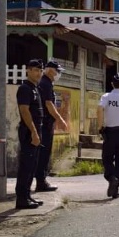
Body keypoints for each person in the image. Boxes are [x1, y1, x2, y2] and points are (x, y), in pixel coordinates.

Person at [15, 59, 45, 210]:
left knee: (32, 165)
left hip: (36, 130)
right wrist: (33, 132)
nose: (38, 73)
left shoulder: (35, 88)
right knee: (26, 165)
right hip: (29, 131)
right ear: (28, 70)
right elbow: (24, 111)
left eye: (40, 71)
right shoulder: (25, 88)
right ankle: (21, 198)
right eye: (35, 70)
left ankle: (27, 195)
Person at [35, 59, 67, 192]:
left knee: (43, 154)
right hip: (45, 124)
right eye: (57, 71)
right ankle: (41, 182)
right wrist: (60, 119)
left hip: (44, 124)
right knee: (43, 154)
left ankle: (41, 180)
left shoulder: (45, 83)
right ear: (50, 70)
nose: (58, 74)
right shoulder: (46, 83)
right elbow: (49, 104)